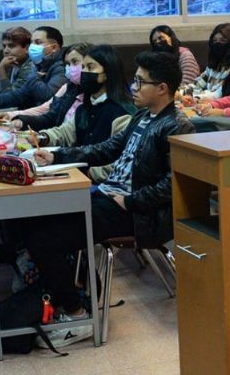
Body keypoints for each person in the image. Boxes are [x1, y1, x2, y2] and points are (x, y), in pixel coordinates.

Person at [14, 52, 194, 347]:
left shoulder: (177, 126)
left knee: (43, 239)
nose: (133, 87)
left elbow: (175, 183)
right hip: (109, 195)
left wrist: (132, 201)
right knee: (36, 220)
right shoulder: (142, 117)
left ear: (162, 88)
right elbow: (106, 149)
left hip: (136, 212)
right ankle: (69, 294)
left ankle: (77, 314)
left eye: (140, 82)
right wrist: (58, 155)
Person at [32, 44, 136, 181]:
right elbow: (65, 132)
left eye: (90, 67)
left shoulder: (122, 112)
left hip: (102, 182)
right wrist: (42, 137)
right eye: (83, 67)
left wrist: (88, 174)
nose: (84, 72)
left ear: (107, 73)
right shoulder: (85, 107)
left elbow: (121, 161)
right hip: (81, 175)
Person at [4, 42, 92, 131]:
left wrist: (34, 76)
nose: (69, 68)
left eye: (74, 62)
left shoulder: (94, 95)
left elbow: (46, 95)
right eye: (67, 64)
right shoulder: (70, 87)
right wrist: (18, 119)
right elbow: (50, 113)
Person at [0, 25, 66, 110]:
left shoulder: (62, 67)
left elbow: (48, 98)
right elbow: (19, 95)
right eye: (32, 42)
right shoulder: (41, 65)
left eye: (38, 42)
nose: (32, 46)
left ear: (54, 47)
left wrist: (33, 76)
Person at [190, 23, 230, 100]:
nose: (217, 44)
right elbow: (197, 84)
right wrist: (180, 93)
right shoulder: (213, 66)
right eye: (214, 41)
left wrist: (194, 96)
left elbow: (216, 95)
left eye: (223, 41)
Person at [149, 25, 200, 90]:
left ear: (171, 37)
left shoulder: (185, 55)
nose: (158, 42)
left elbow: (187, 84)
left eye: (161, 38)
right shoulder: (158, 60)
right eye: (154, 41)